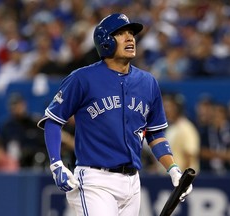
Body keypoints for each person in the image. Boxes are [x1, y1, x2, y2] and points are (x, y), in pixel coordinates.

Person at [37, 13, 192, 216]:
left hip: (132, 182)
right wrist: (56, 164)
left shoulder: (148, 82)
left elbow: (155, 134)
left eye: (131, 33)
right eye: (120, 33)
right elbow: (53, 121)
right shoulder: (83, 78)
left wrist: (172, 168)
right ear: (106, 41)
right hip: (95, 180)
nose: (130, 38)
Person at [162, 93, 200, 173]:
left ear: (177, 108)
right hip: (169, 177)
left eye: (168, 106)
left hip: (182, 178)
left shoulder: (186, 128)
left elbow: (190, 156)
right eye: (164, 106)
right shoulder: (170, 128)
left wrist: (182, 179)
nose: (165, 110)